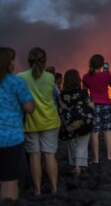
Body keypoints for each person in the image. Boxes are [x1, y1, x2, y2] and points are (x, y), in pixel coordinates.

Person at [17, 47, 61, 196]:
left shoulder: (21, 77)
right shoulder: (50, 78)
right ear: (44, 61)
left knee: (34, 156)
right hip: (50, 120)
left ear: (29, 60)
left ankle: (37, 190)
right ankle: (54, 188)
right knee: (49, 155)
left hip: (31, 122)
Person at [0, 47, 35, 200]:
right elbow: (29, 107)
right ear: (9, 63)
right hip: (10, 138)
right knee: (9, 181)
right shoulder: (15, 82)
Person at [59, 69, 94, 175]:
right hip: (84, 123)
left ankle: (74, 164)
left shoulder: (62, 95)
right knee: (82, 144)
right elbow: (91, 106)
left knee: (72, 144)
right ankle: (80, 165)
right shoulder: (83, 93)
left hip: (69, 125)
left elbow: (60, 110)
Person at [82, 54, 111, 163]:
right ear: (102, 65)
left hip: (93, 106)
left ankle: (96, 159)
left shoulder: (86, 77)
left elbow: (84, 91)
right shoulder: (106, 75)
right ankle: (109, 155)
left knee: (94, 132)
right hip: (105, 105)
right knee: (107, 131)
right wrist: (108, 73)